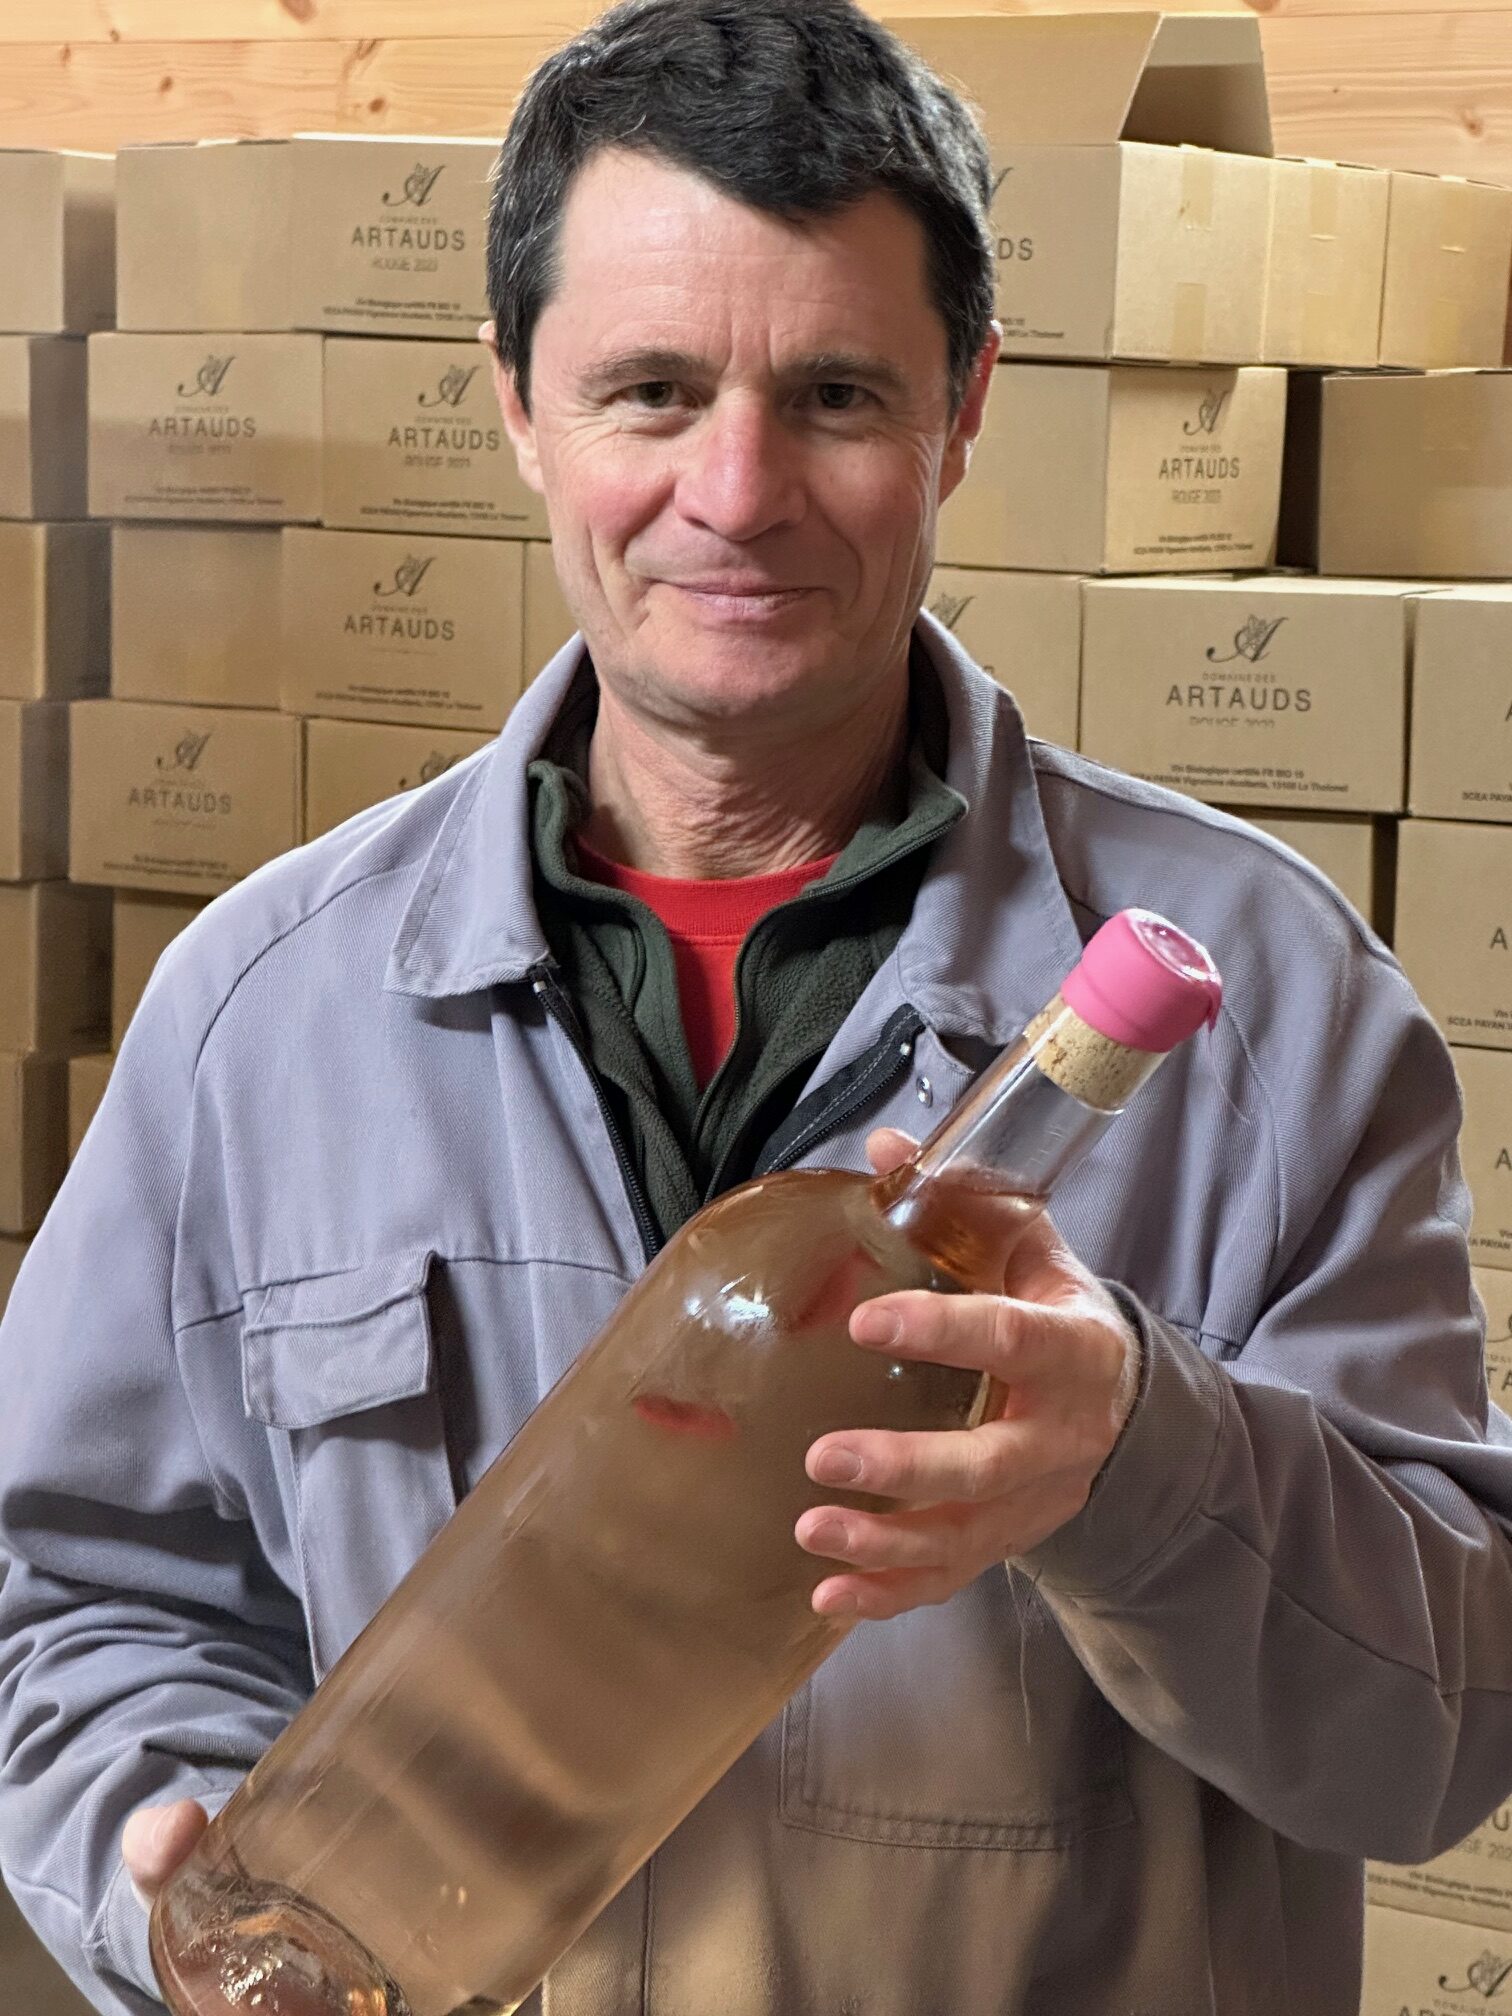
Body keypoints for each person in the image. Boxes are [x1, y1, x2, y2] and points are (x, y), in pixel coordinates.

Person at [3, 2, 1511, 2010]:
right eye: (649, 390)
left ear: (965, 409)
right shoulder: (258, 1020)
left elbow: (1438, 1739)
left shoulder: (1276, 1012)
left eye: (835, 395)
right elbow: (80, 1603)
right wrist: (168, 1868)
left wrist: (1140, 1462)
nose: (737, 489)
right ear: (516, 405)